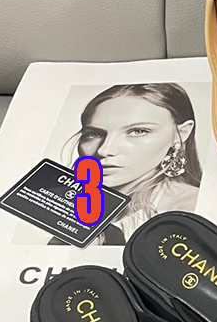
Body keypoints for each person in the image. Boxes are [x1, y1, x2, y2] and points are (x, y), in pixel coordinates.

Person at [56, 83, 202, 244]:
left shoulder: (190, 210)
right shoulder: (63, 202)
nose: (104, 150)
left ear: (181, 134)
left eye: (138, 131)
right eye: (94, 134)